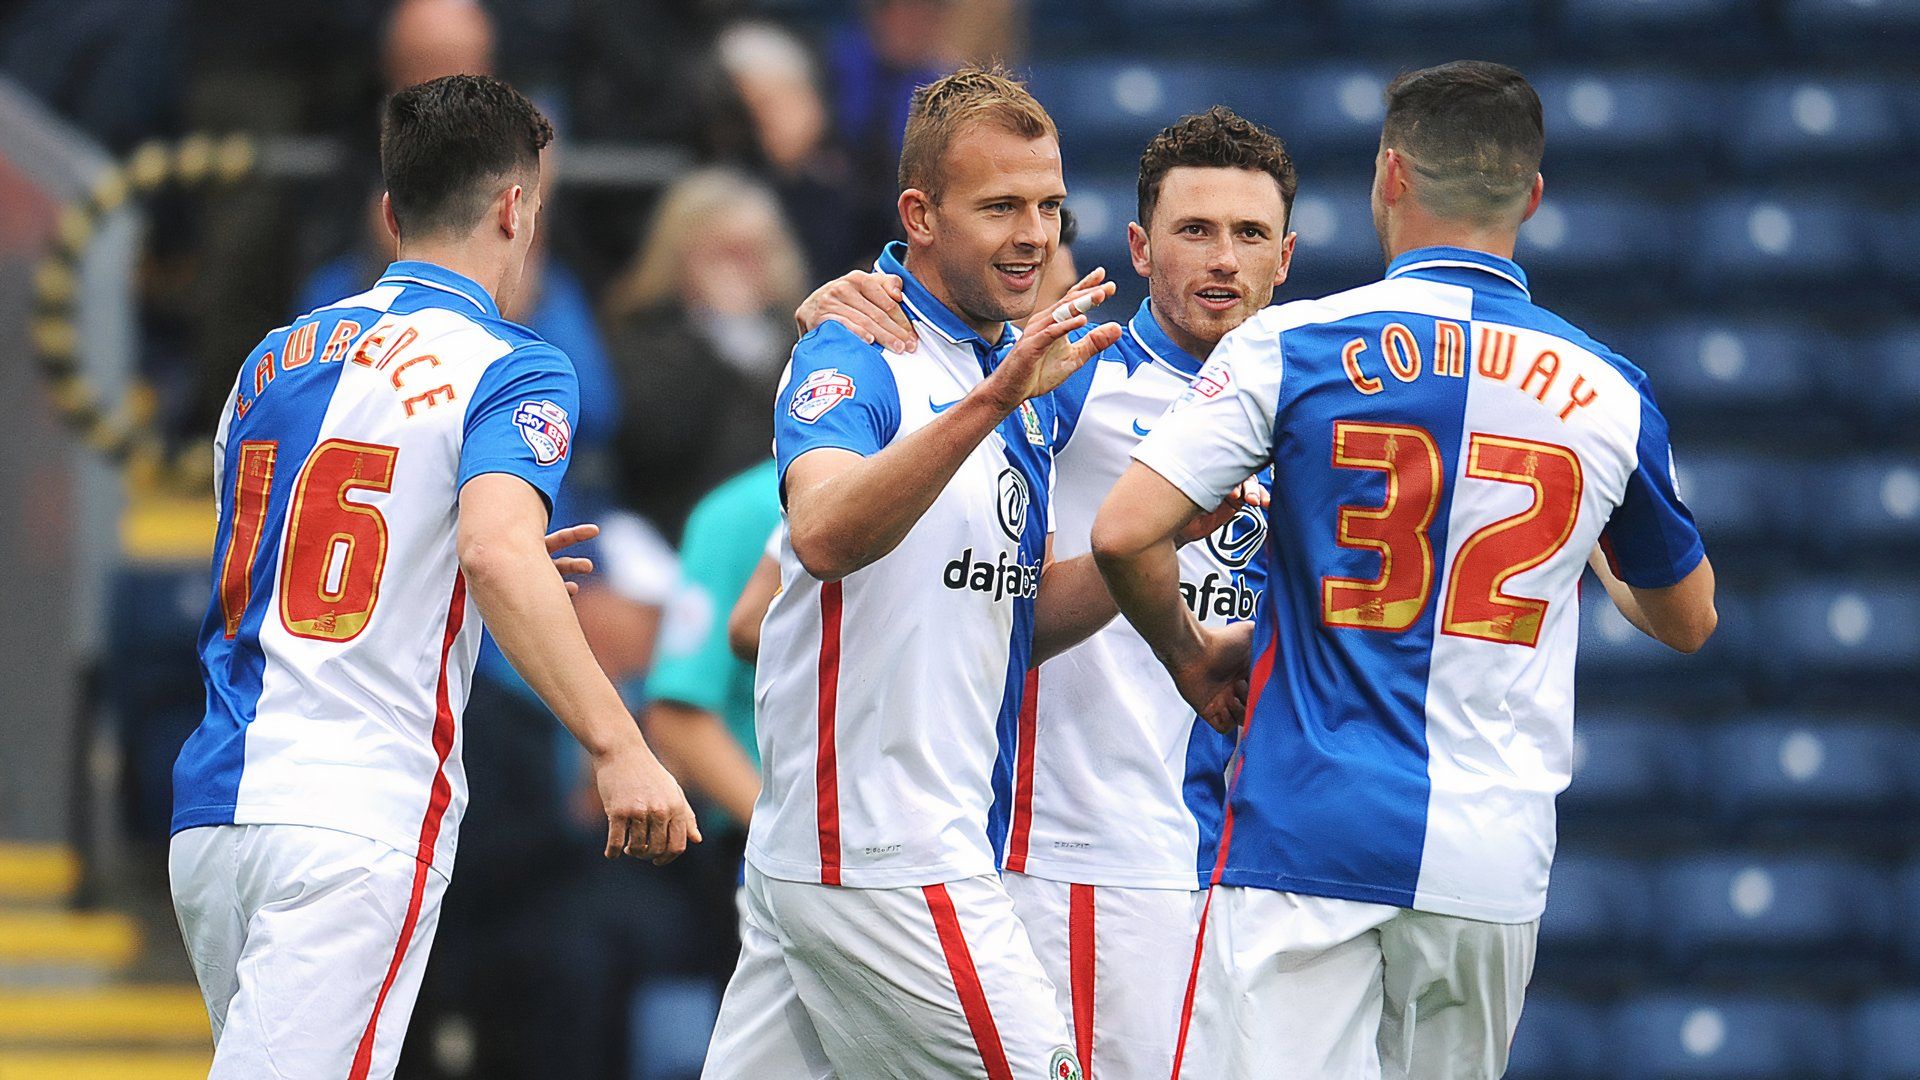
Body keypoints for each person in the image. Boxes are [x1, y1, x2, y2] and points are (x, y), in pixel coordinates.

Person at [1090, 61, 1717, 1079]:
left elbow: (1124, 533)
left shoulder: (1289, 346)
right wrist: (1588, 538)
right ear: (1534, 196)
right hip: (1491, 856)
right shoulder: (1609, 391)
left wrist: (1192, 656)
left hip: (1309, 832)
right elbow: (1689, 619)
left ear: (1389, 175)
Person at [166, 75, 698, 1080]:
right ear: (513, 207)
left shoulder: (268, 364)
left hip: (216, 811)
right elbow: (497, 551)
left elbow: (292, 559)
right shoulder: (516, 363)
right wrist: (618, 745)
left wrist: (440, 555)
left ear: (387, 212)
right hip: (356, 813)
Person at [796, 105, 1298, 1079]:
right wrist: (842, 303)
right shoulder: (1071, 379)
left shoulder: (1313, 409)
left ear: (1288, 256)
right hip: (1082, 855)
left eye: (1249, 234)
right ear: (1142, 248)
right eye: (1195, 230)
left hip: (1242, 864)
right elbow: (920, 391)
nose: (1223, 260)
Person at [701, 65, 1125, 1080]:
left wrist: (1151, 543)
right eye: (1001, 207)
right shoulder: (858, 347)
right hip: (884, 858)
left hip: (838, 854)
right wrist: (989, 402)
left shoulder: (1015, 370)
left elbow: (1007, 617)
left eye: (1050, 208)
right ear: (919, 215)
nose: (1035, 235)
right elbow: (825, 534)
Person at [602, 167, 811, 539]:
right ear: (681, 257)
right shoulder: (642, 333)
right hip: (678, 531)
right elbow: (652, 447)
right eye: (724, 254)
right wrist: (726, 334)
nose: (743, 269)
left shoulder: (803, 337)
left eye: (755, 252)